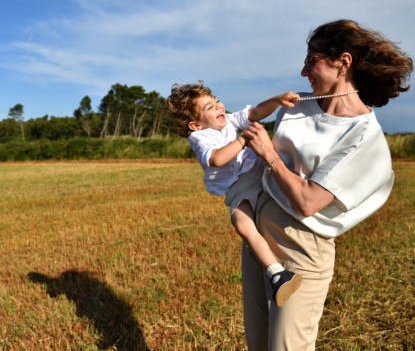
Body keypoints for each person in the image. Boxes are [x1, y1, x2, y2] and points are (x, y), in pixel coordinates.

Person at [241, 19, 412, 350]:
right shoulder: (296, 106)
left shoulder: (365, 136)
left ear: (343, 62)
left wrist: (268, 153)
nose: (304, 72)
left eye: (312, 60)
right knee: (258, 344)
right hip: (260, 236)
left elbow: (309, 201)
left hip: (302, 245)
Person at [165, 82, 302, 306]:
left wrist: (278, 100)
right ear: (195, 124)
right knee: (242, 223)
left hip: (258, 170)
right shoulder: (200, 138)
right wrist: (243, 140)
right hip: (238, 186)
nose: (219, 107)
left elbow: (255, 113)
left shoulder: (228, 119)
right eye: (209, 107)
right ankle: (277, 273)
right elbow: (217, 159)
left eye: (216, 100)